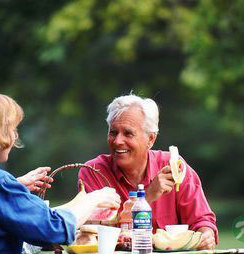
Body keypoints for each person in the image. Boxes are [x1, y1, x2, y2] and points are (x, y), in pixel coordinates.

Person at [0, 90, 120, 254]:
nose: (15, 136)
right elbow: (55, 229)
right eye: (12, 129)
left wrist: (14, 186)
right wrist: (94, 198)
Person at [78, 94, 218, 250]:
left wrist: (206, 236)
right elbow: (96, 232)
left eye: (128, 133)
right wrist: (148, 195)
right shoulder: (93, 172)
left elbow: (202, 221)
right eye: (113, 132)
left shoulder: (175, 168)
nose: (117, 141)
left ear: (150, 139)